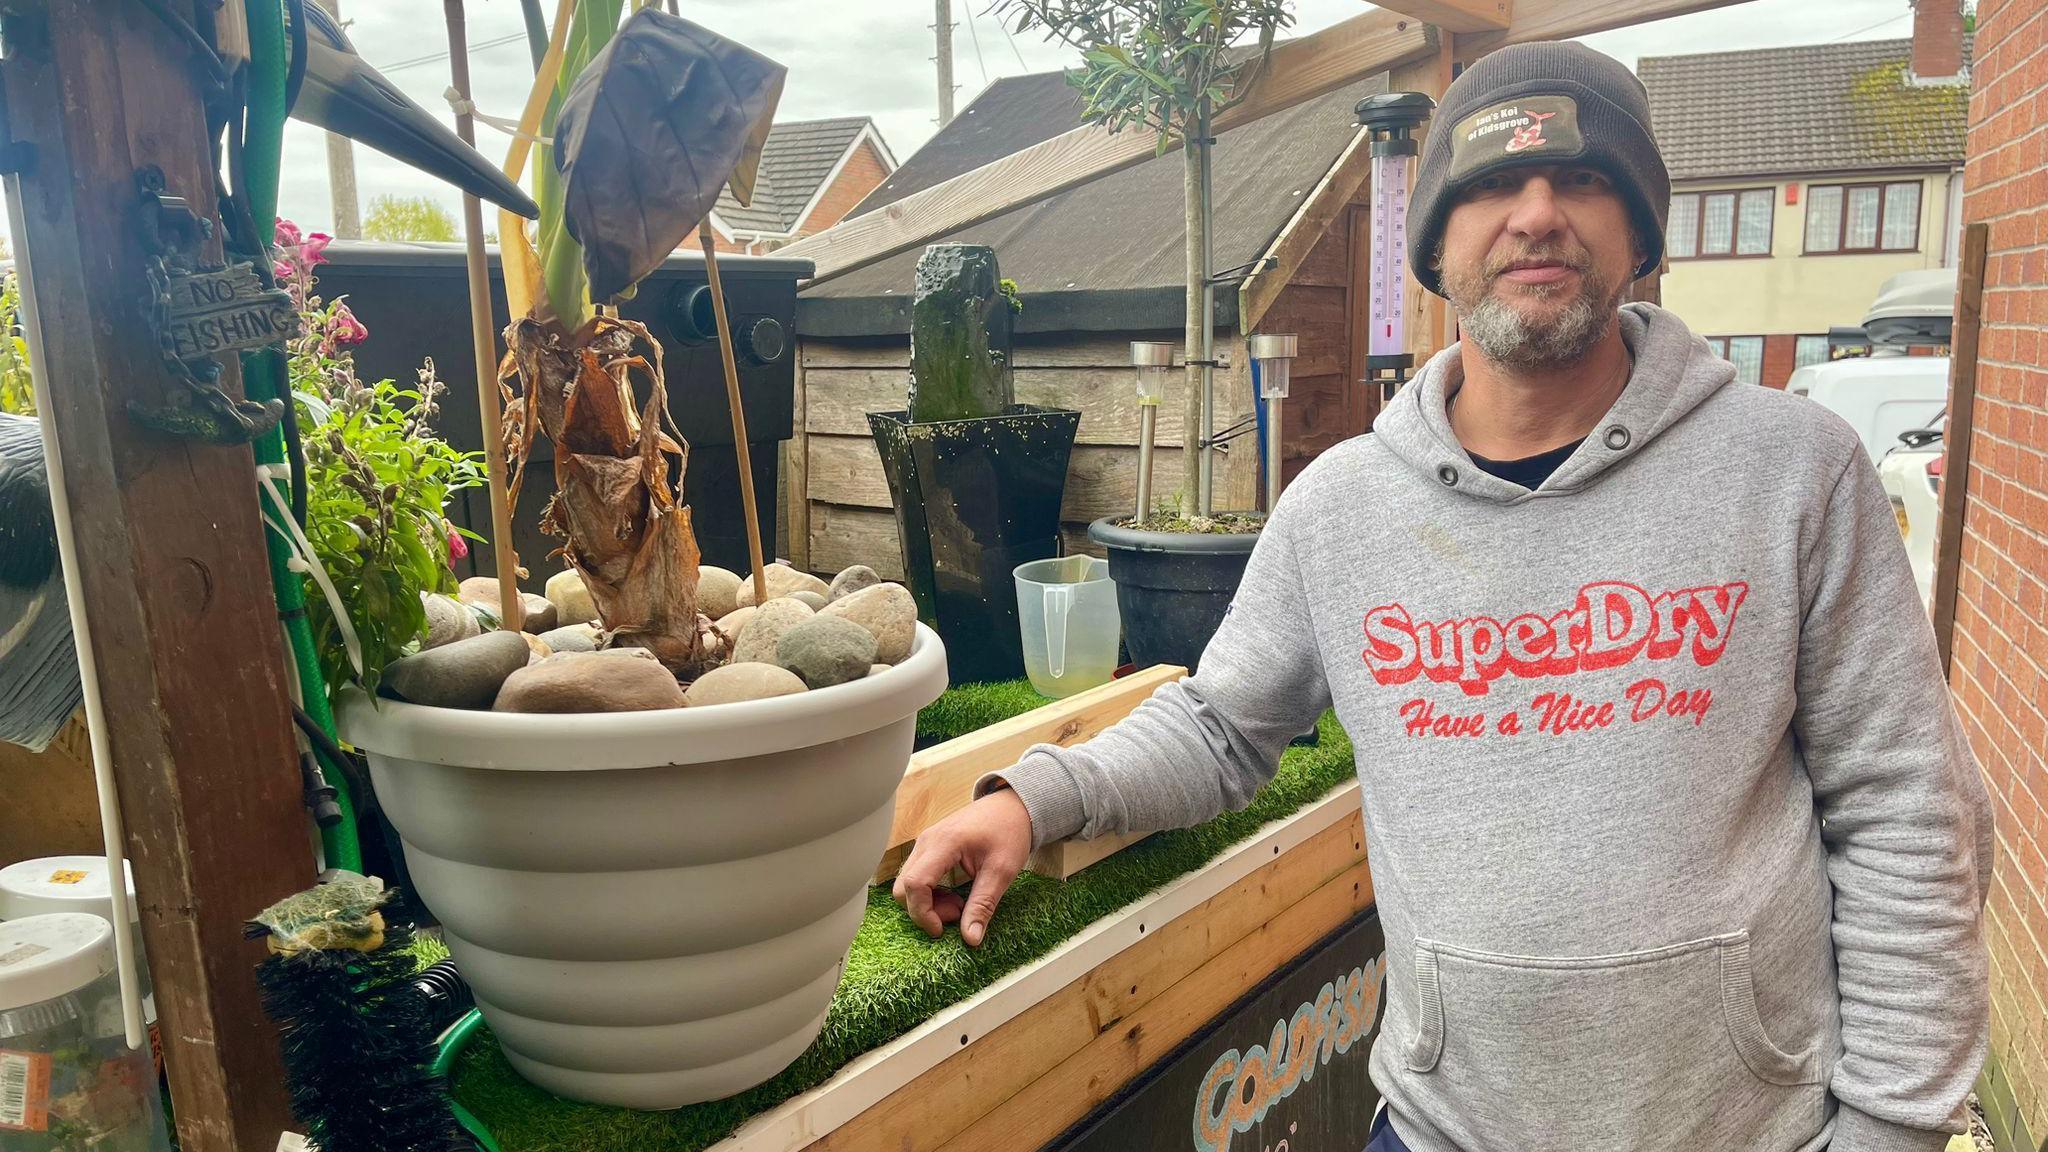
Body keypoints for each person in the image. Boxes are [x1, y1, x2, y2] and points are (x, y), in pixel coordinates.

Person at [892, 40, 1996, 1152]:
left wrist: (1893, 1129)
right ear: (1433, 244)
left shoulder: (1793, 469)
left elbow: (1906, 809)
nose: (1533, 214)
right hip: (1442, 1129)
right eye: (1486, 187)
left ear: (1638, 230)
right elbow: (1222, 726)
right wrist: (1032, 799)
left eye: (1579, 178)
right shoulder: (1340, 508)